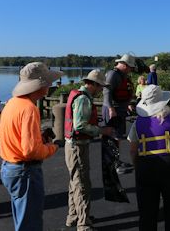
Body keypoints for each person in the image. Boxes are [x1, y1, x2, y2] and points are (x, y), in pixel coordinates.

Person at [0, 62, 63, 231]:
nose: (50, 85)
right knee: (30, 224)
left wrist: (38, 138)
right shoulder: (29, 109)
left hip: (8, 168)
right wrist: (53, 147)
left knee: (22, 219)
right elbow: (30, 151)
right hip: (25, 172)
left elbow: (1, 134)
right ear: (40, 85)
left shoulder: (11, 103)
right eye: (48, 82)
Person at [128, 85, 170, 231]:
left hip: (145, 166)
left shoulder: (137, 123)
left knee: (147, 213)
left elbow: (132, 150)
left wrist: (138, 166)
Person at [64, 70, 113, 230]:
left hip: (71, 144)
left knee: (75, 182)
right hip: (77, 146)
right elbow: (80, 126)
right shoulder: (84, 99)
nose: (101, 90)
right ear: (94, 84)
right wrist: (101, 131)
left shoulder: (78, 94)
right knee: (82, 184)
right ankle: (83, 223)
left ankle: (74, 216)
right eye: (100, 87)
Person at [102, 54, 136, 174]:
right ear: (124, 65)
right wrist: (111, 108)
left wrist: (127, 104)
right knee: (113, 136)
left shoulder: (122, 75)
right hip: (113, 110)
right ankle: (113, 164)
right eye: (130, 67)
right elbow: (106, 92)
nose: (130, 70)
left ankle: (116, 161)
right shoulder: (112, 74)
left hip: (119, 110)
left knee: (118, 137)